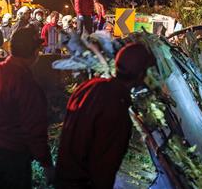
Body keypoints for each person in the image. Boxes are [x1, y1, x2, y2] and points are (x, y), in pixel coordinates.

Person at [54, 43, 155, 189]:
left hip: (63, 178)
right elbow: (104, 167)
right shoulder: (117, 110)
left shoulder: (89, 87)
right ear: (141, 75)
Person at [0, 27, 55, 189]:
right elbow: (35, 129)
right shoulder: (26, 83)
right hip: (13, 155)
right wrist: (47, 165)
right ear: (34, 52)